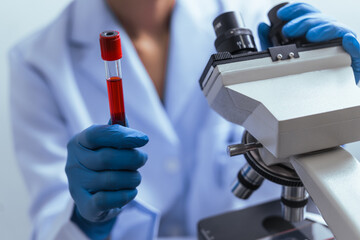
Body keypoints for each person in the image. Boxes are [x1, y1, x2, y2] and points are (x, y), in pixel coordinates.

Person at [9, 0, 360, 239]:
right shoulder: (37, 62)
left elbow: (320, 194)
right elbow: (51, 225)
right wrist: (83, 221)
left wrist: (333, 92)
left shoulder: (252, 16)